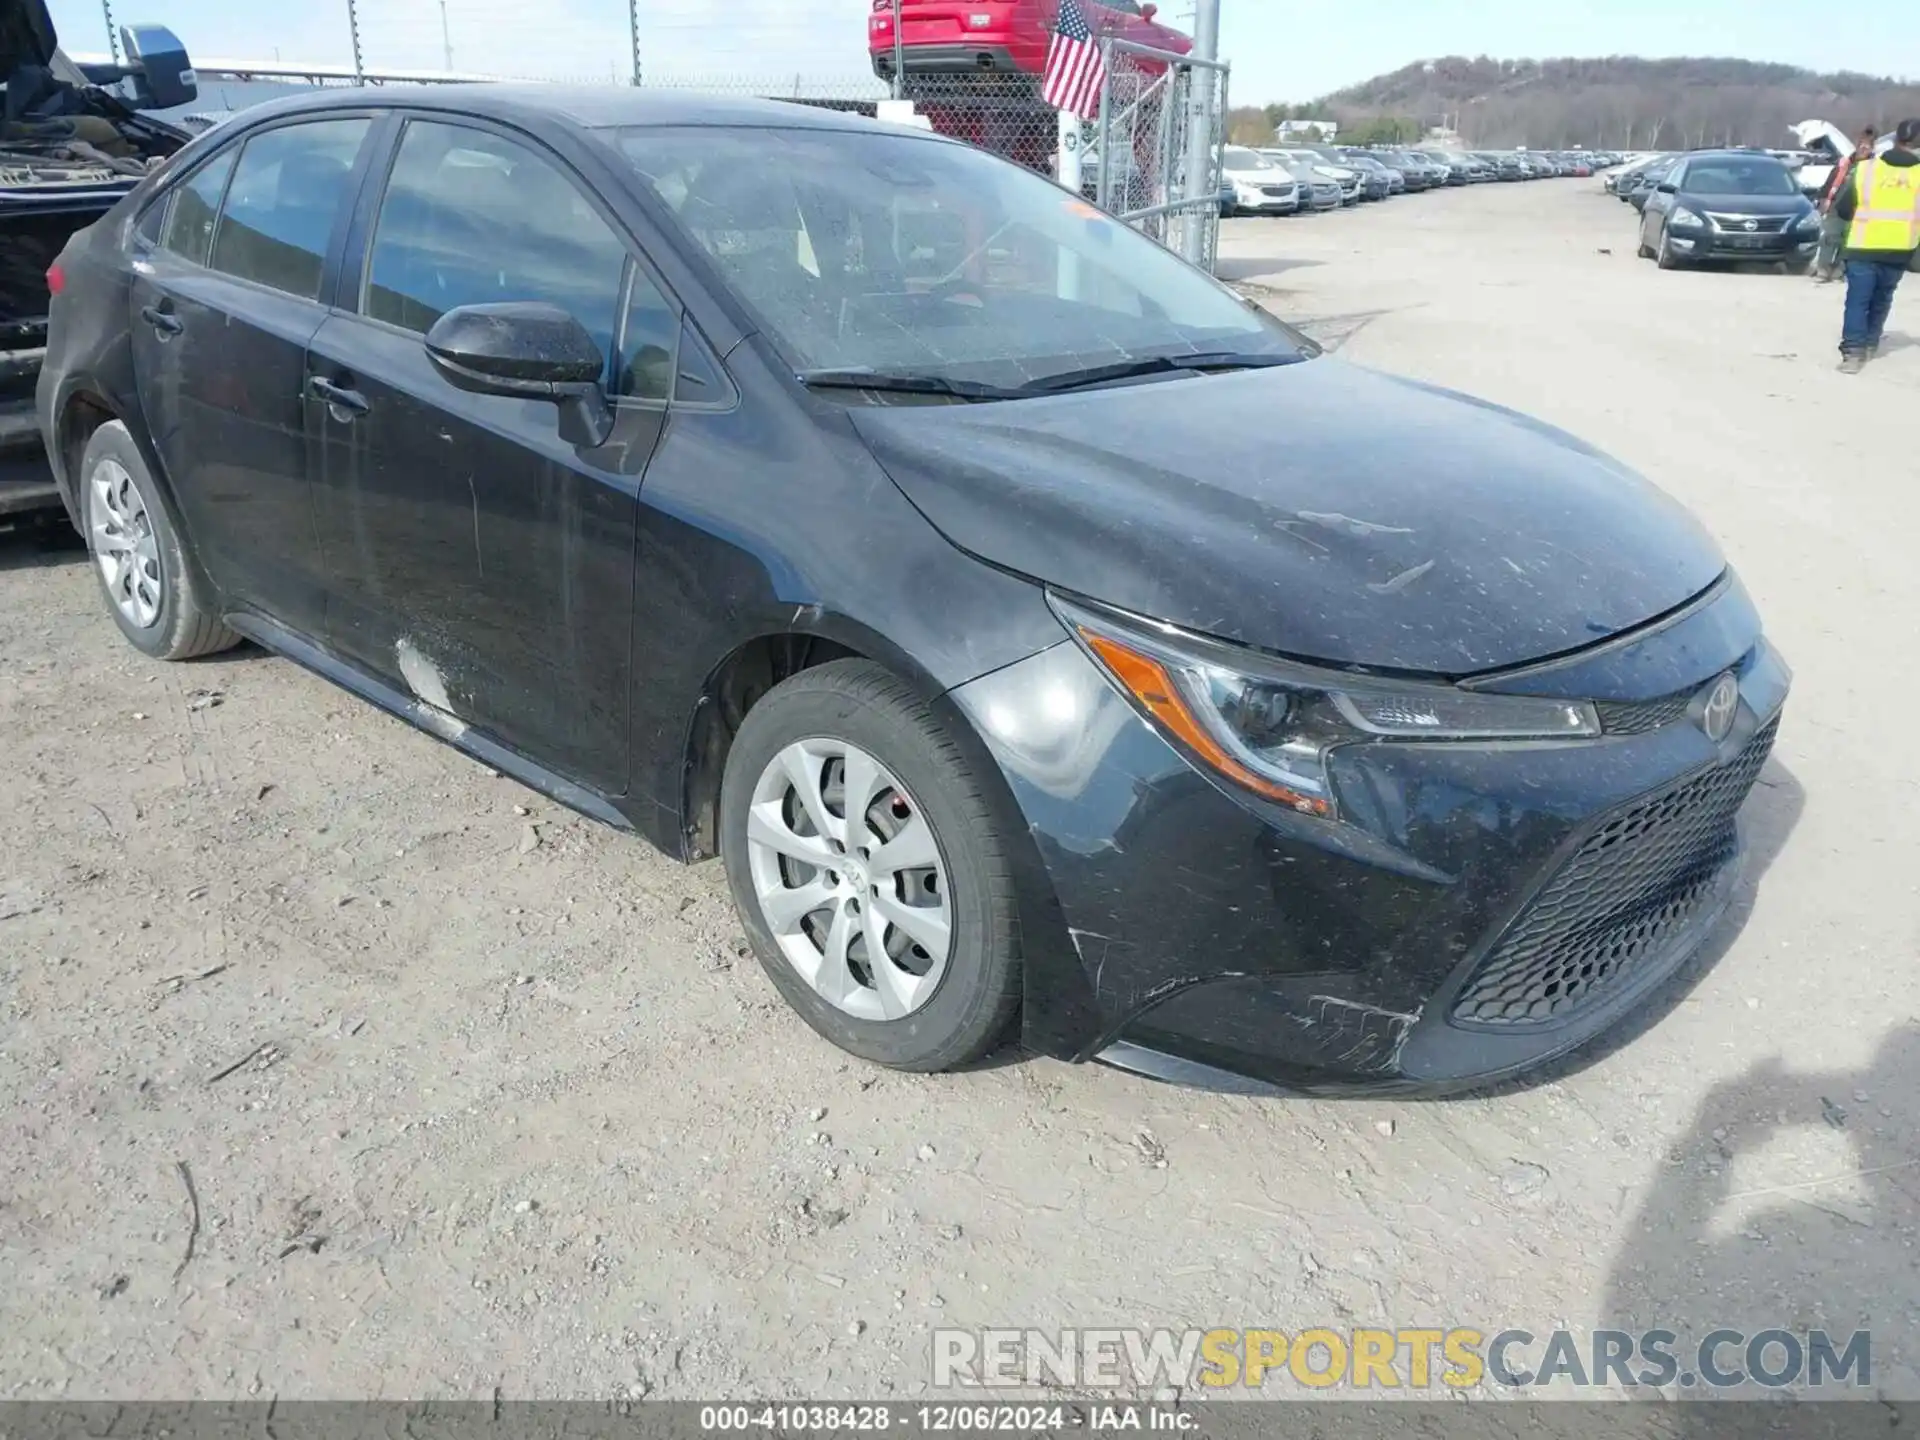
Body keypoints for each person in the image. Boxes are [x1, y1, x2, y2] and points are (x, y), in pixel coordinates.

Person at [1833, 116, 1920, 373]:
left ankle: (1853, 353)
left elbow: (1844, 209)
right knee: (1882, 299)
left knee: (1858, 300)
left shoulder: (1866, 170)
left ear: (1894, 139)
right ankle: (1870, 343)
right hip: (1900, 249)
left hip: (1862, 246)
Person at [1813, 129, 1875, 282]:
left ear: (1872, 149)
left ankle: (1839, 270)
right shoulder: (1844, 164)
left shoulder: (1875, 168)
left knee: (1848, 243)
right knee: (1829, 238)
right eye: (1861, 145)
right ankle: (1823, 269)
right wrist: (1822, 199)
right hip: (1836, 207)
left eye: (1867, 146)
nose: (1863, 149)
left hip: (1859, 210)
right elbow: (1830, 183)